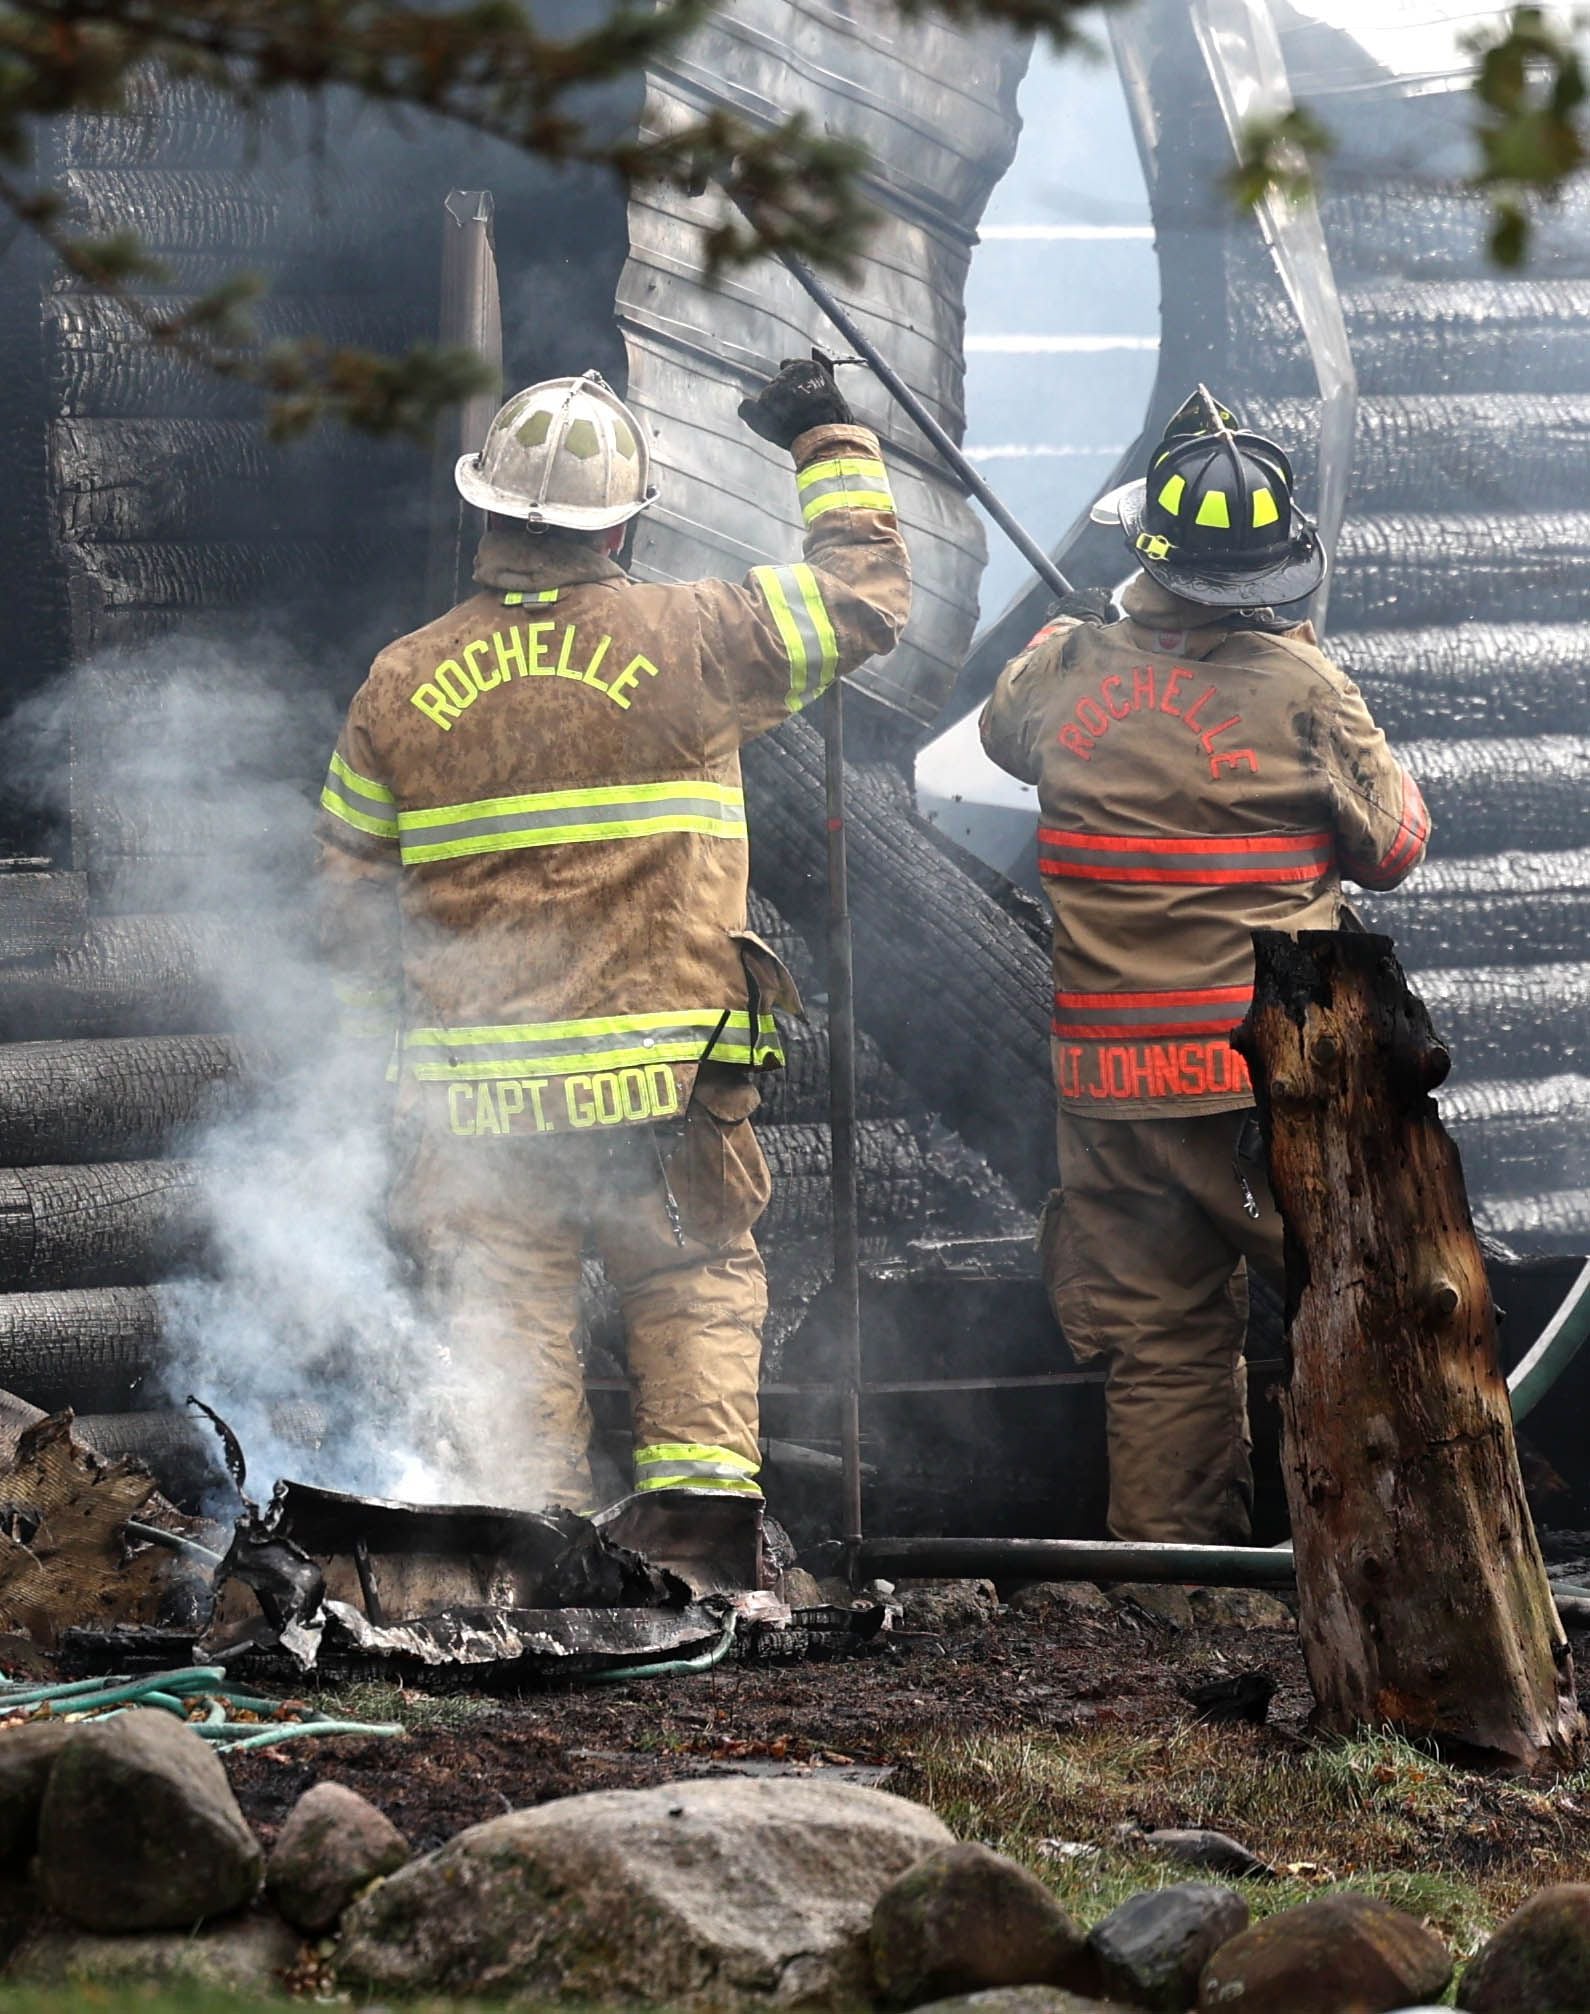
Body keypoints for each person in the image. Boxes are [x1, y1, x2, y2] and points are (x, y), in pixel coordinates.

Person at [315, 360, 909, 1576]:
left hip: (479, 1110)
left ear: (487, 512)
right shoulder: (699, 636)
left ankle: (528, 1576)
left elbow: (346, 913)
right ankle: (702, 1571)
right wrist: (825, 437)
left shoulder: (399, 682)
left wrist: (383, 1078)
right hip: (665, 1095)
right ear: (622, 523)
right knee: (691, 1292)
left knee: (507, 1323)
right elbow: (867, 596)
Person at [980, 387, 1429, 1544]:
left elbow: (1004, 727)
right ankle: (1403, 1574)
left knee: (1164, 1350)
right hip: (1268, 1086)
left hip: (1112, 1098)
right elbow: (1396, 847)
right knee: (1375, 1323)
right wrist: (1318, 687)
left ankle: (1177, 1597)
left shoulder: (1066, 673)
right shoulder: (1300, 688)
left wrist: (1069, 634)